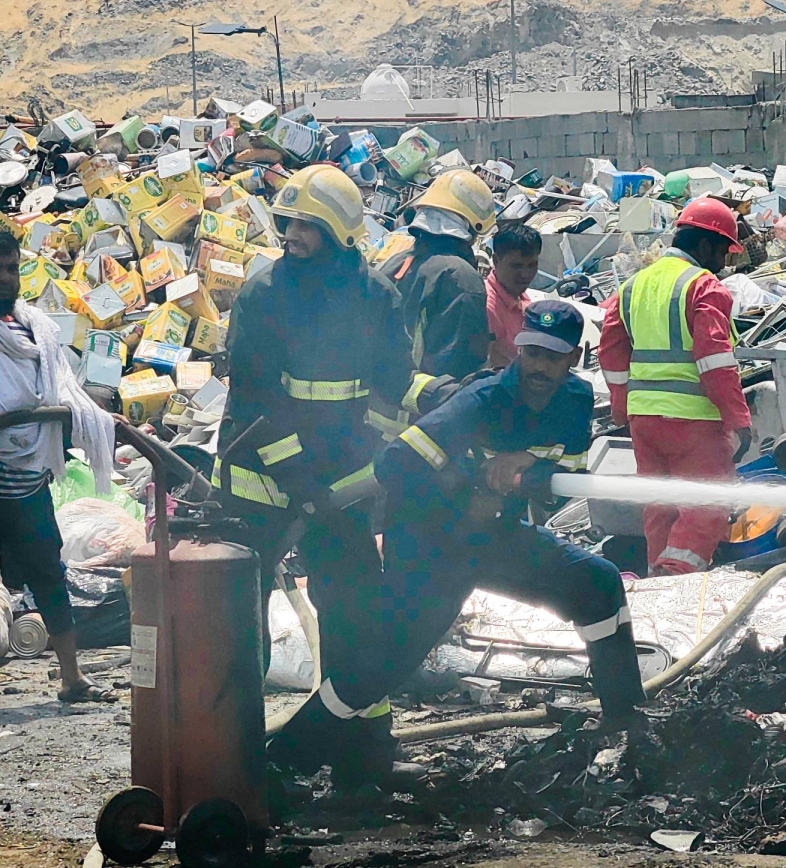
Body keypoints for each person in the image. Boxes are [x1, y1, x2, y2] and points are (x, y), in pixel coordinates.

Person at [214, 165, 436, 785]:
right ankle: (236, 760)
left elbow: (394, 382)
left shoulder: (376, 296)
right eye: (287, 223)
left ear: (340, 233)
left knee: (356, 609)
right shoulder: (263, 295)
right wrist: (299, 478)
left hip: (338, 487)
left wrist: (436, 398)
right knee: (240, 620)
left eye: (307, 226)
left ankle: (363, 753)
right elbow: (256, 401)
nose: (292, 235)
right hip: (261, 481)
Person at [371, 300, 645, 727]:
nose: (539, 367)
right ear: (519, 349)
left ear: (575, 357)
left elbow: (566, 479)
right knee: (390, 657)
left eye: (552, 357)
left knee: (599, 582)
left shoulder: (575, 400)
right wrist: (471, 488)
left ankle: (627, 720)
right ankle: (318, 737)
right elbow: (394, 464)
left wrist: (530, 463)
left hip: (494, 538)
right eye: (532, 353)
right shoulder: (481, 400)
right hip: (433, 544)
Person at [598, 198, 752, 576]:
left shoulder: (632, 287)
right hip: (692, 421)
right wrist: (738, 419)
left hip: (644, 422)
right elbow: (714, 361)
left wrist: (622, 406)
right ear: (705, 245)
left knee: (660, 505)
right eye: (722, 252)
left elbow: (611, 353)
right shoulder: (704, 287)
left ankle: (656, 580)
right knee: (706, 504)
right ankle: (676, 577)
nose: (722, 263)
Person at [0, 229, 119, 703]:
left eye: (12, 268)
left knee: (48, 573)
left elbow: (60, 386)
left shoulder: (36, 329)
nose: (7, 278)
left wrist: (90, 414)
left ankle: (72, 678)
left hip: (29, 476)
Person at [384, 169, 496, 385]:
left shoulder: (392, 263)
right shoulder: (461, 277)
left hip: (379, 401)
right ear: (472, 227)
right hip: (430, 402)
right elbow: (461, 364)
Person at [486, 224, 542, 367]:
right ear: (496, 261)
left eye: (532, 265)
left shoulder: (519, 294)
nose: (525, 274)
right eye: (516, 266)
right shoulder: (488, 308)